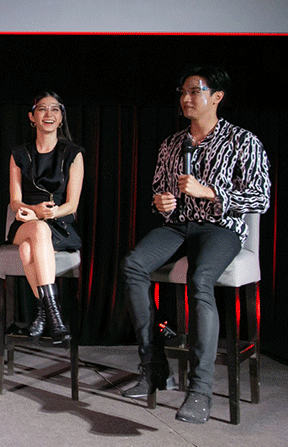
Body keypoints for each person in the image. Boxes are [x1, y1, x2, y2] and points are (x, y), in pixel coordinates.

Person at [122, 66, 270, 424]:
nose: (186, 98)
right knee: (133, 265)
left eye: (194, 91)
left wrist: (211, 192)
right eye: (183, 92)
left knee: (200, 279)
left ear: (216, 97)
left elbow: (260, 198)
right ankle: (154, 366)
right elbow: (159, 192)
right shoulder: (172, 144)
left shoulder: (243, 141)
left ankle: (200, 390)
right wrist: (161, 202)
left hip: (221, 227)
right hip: (178, 226)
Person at [7, 92, 84, 344]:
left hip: (59, 224)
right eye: (42, 109)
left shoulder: (73, 154)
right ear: (32, 116)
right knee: (38, 230)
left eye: (55, 109)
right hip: (26, 223)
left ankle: (42, 314)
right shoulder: (19, 153)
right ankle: (56, 318)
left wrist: (50, 212)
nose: (48, 114)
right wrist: (32, 210)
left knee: (27, 250)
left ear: (61, 118)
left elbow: (72, 205)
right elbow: (15, 201)